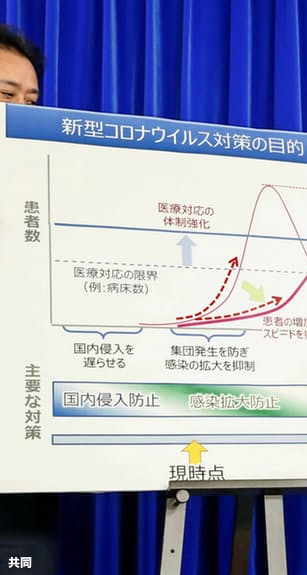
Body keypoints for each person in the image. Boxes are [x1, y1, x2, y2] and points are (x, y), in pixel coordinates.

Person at [0, 23, 58, 575]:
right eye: (5, 95)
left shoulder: (45, 198)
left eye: (31, 101)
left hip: (20, 458)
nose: (20, 111)